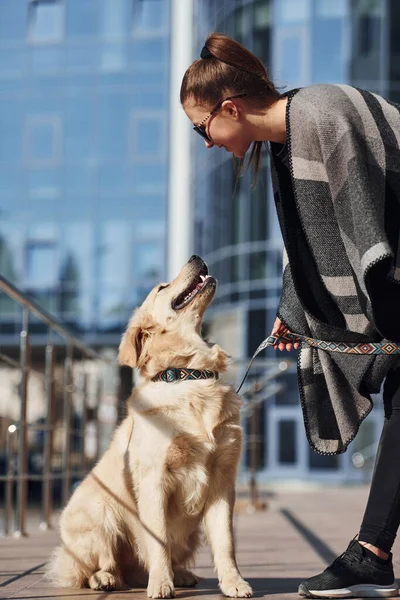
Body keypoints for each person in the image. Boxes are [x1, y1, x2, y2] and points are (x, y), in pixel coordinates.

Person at [180, 32, 400, 599]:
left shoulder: (322, 113)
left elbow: (365, 222)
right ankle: (371, 552)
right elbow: (309, 242)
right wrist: (296, 312)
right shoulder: (286, 143)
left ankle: (371, 553)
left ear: (230, 109)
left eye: (200, 129)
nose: (204, 144)